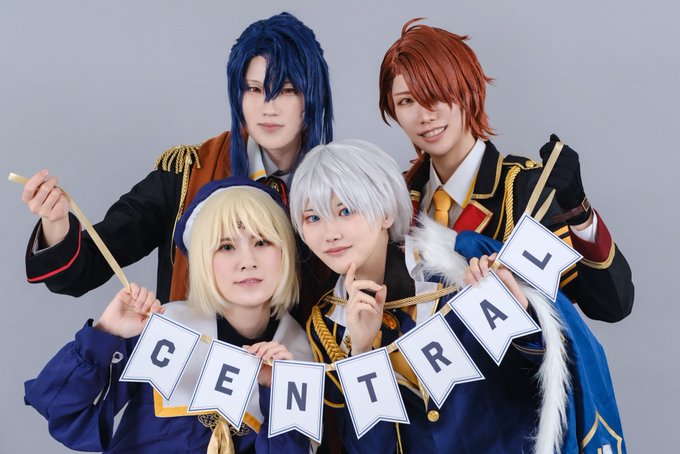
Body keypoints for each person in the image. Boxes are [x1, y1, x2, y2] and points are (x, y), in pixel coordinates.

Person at [289, 140, 625, 453]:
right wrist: (362, 353)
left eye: (345, 211)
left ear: (386, 212)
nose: (330, 233)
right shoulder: (327, 325)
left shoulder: (461, 263)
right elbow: (371, 449)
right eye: (313, 217)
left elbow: (554, 371)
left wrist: (520, 309)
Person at [20, 12, 333, 318]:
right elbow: (84, 270)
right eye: (254, 89)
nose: (269, 108)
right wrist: (56, 223)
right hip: (195, 351)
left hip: (302, 351)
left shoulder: (341, 186)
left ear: (313, 94)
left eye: (287, 90)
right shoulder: (187, 174)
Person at [24, 177, 314, 453]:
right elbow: (66, 415)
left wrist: (274, 391)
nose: (247, 262)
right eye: (226, 246)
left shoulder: (299, 358)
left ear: (285, 251)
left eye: (262, 242)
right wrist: (104, 334)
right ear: (202, 260)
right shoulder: (163, 330)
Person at [378, 19, 633, 322]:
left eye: (435, 93)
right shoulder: (396, 199)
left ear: (467, 89)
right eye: (406, 101)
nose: (425, 115)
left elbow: (612, 306)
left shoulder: (526, 190)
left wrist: (579, 212)